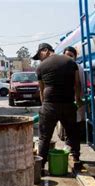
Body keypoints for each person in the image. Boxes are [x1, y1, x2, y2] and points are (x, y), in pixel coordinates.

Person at [32, 43, 82, 173]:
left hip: (49, 105)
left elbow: (42, 90)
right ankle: (76, 159)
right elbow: (77, 83)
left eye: (40, 55)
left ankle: (41, 166)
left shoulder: (41, 67)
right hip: (68, 104)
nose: (40, 59)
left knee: (44, 137)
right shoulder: (70, 62)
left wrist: (44, 106)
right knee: (72, 134)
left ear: (46, 50)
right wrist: (78, 100)